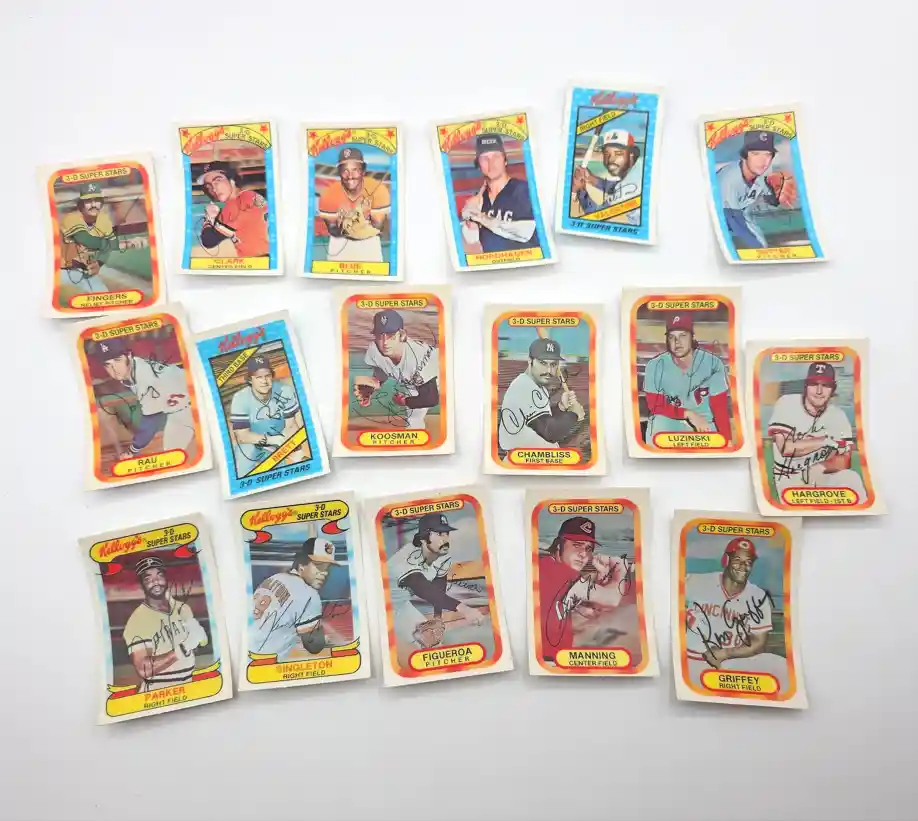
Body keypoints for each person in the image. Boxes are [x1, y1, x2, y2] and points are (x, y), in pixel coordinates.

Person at [684, 538, 788, 692]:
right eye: (737, 560)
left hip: (731, 662)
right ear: (726, 560)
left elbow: (759, 641)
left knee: (782, 666)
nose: (743, 566)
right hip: (691, 659)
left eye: (748, 562)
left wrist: (725, 653)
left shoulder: (758, 597)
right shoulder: (696, 581)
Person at [767, 361, 867, 500]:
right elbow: (786, 448)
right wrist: (825, 441)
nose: (819, 391)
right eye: (814, 384)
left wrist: (822, 467)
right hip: (790, 479)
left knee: (851, 477)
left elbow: (845, 459)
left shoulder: (838, 416)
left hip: (821, 476)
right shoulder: (787, 403)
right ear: (806, 386)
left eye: (825, 385)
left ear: (833, 389)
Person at [387, 512, 485, 653]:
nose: (445, 539)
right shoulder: (406, 559)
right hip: (382, 609)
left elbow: (439, 585)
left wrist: (437, 617)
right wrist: (464, 609)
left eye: (446, 533)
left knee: (433, 644)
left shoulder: (441, 556)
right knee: (404, 651)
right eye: (439, 534)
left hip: (402, 605)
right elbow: (424, 589)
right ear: (423, 538)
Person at [93, 337, 196, 461]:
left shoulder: (143, 376)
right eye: (107, 364)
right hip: (185, 407)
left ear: (129, 355)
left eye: (117, 360)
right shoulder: (135, 367)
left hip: (196, 401)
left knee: (172, 458)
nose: (114, 369)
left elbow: (150, 422)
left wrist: (132, 451)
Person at [538, 517, 628, 659]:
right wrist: (619, 570)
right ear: (559, 545)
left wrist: (601, 582)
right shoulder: (561, 573)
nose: (584, 554)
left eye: (588, 548)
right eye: (577, 545)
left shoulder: (546, 568)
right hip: (549, 661)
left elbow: (586, 614)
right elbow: (612, 600)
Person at [642, 313, 732, 445]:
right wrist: (687, 413)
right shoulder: (655, 365)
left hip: (704, 424)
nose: (677, 342)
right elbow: (655, 405)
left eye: (683, 336)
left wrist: (727, 439)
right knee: (659, 424)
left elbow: (720, 408)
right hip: (668, 422)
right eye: (672, 337)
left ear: (692, 337)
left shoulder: (713, 364)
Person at [122, 555, 208, 692]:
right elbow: (144, 669)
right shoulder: (137, 620)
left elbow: (194, 647)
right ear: (142, 584)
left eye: (159, 576)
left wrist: (197, 636)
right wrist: (182, 648)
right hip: (157, 693)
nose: (156, 582)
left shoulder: (183, 608)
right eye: (148, 579)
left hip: (187, 686)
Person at [249, 538, 339, 660]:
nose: (325, 573)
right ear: (301, 565)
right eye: (319, 566)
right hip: (263, 664)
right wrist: (322, 639)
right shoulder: (309, 594)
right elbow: (314, 646)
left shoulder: (274, 578)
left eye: (328, 568)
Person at [354, 309, 439, 430]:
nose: (385, 342)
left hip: (445, 374)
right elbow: (381, 369)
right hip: (416, 383)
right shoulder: (374, 350)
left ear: (402, 335)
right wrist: (372, 387)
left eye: (391, 335)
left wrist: (404, 401)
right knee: (413, 421)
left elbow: (431, 399)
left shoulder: (418, 357)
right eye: (380, 335)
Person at [498, 337, 584, 454]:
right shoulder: (524, 386)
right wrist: (574, 414)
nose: (549, 370)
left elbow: (541, 420)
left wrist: (561, 407)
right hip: (522, 459)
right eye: (543, 363)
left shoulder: (536, 385)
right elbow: (549, 432)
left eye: (553, 364)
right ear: (530, 361)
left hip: (532, 456)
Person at [460, 134, 540, 254]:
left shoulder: (524, 190)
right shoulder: (479, 200)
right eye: (484, 158)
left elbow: (525, 232)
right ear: (478, 165)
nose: (491, 163)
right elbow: (471, 248)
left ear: (505, 160)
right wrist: (469, 220)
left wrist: (480, 218)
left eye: (496, 157)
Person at [716, 130, 796, 249]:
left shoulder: (761, 174)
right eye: (755, 153)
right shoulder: (729, 180)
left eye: (767, 154)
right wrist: (759, 249)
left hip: (739, 220)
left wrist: (778, 195)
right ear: (744, 156)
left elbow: (770, 199)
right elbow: (733, 219)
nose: (762, 160)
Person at [230, 354, 305, 476]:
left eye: (267, 376)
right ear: (250, 380)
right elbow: (242, 436)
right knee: (244, 466)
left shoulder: (284, 390)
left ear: (272, 376)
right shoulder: (240, 398)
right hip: (251, 443)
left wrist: (294, 446)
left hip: (278, 444)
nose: (264, 381)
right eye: (258, 377)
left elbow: (291, 425)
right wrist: (271, 440)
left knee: (283, 473)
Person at [318, 146, 390, 262]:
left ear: (363, 170)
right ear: (339, 172)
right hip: (339, 249)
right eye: (345, 170)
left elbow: (378, 227)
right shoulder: (329, 193)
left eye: (355, 169)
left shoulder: (378, 189)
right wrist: (360, 219)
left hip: (369, 248)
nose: (350, 175)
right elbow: (334, 231)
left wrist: (348, 220)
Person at [571, 129, 644, 224]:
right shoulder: (639, 167)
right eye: (606, 154)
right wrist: (591, 178)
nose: (610, 160)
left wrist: (581, 190)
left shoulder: (628, 191)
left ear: (631, 154)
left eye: (618, 153)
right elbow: (616, 187)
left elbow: (596, 217)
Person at [60, 181, 122, 293]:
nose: (94, 205)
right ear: (81, 205)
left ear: (101, 203)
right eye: (88, 201)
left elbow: (111, 245)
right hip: (64, 272)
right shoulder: (70, 219)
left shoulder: (104, 220)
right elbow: (87, 240)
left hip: (86, 271)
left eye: (97, 200)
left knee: (104, 295)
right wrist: (110, 243)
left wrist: (99, 263)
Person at [199, 161, 269, 258]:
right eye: (209, 186)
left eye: (217, 181)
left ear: (232, 179)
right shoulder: (227, 209)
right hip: (249, 261)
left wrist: (209, 218)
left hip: (267, 258)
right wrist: (209, 218)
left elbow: (211, 239)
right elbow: (208, 241)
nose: (213, 189)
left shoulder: (247, 198)